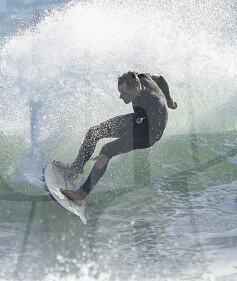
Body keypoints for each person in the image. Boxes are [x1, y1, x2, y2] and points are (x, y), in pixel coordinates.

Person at [57, 71, 178, 204]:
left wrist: (109, 153)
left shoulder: (151, 103)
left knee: (106, 150)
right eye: (120, 92)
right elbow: (160, 78)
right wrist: (169, 100)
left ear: (136, 88)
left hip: (149, 133)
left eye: (124, 93)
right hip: (138, 120)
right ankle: (74, 170)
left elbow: (136, 134)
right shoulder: (143, 78)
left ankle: (82, 193)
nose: (120, 96)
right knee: (94, 132)